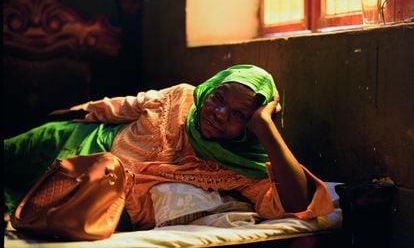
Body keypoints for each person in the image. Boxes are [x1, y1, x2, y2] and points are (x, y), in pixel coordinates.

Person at [4, 64, 333, 230]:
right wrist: (67, 114)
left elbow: (299, 202)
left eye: (239, 114)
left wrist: (264, 125)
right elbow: (123, 107)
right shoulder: (182, 95)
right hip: (73, 140)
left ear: (249, 124)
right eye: (218, 98)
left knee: (31, 205)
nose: (220, 114)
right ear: (210, 89)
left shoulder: (240, 165)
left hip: (100, 191)